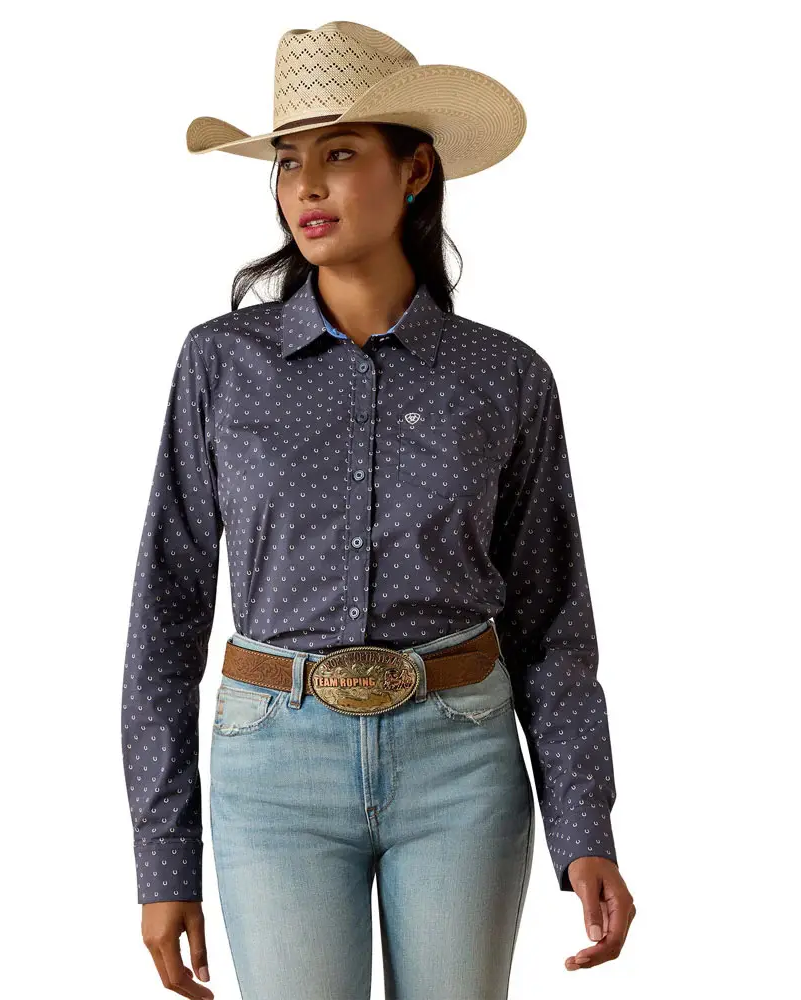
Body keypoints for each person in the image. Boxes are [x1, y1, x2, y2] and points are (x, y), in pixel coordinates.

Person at [121, 20, 636, 1000]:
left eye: (341, 154)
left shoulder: (505, 377)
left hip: (461, 761)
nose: (306, 186)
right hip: (272, 770)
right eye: (288, 161)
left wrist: (584, 827)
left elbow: (551, 621)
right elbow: (167, 612)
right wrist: (164, 857)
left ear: (415, 171)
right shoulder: (220, 365)